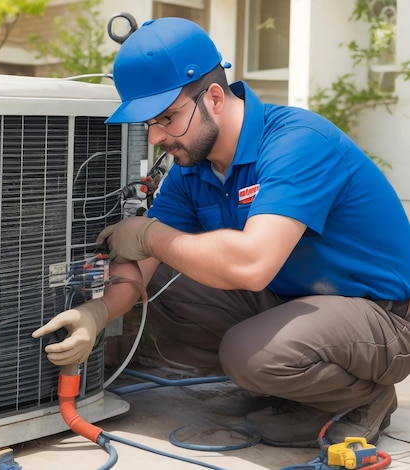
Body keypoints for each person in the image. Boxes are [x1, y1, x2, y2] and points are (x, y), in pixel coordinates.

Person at [32, 17, 410, 448]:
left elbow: (251, 264)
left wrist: (151, 234)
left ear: (213, 97)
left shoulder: (297, 143)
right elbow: (143, 265)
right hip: (295, 299)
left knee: (250, 353)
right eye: (148, 124)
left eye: (167, 118)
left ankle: (362, 397)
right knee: (163, 290)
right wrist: (96, 315)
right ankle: (294, 380)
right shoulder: (192, 169)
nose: (156, 137)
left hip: (384, 315)